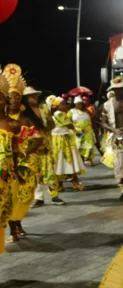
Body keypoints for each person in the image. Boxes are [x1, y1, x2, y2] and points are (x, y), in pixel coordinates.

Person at [4, 64, 45, 243]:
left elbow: (37, 139)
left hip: (27, 162)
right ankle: (13, 227)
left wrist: (24, 154)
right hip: (7, 164)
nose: (13, 100)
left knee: (26, 195)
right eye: (10, 97)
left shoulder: (27, 119)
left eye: (17, 97)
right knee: (10, 195)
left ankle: (18, 221)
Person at [0, 69, 22, 253]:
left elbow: (15, 151)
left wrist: (16, 170)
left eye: (0, 98)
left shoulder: (12, 124)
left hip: (4, 178)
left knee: (3, 212)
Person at [31, 93, 66, 207]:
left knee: (50, 171)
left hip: (45, 145)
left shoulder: (44, 108)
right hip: (31, 147)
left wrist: (45, 128)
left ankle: (54, 196)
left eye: (34, 95)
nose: (33, 98)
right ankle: (38, 198)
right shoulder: (23, 110)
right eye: (30, 96)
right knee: (35, 173)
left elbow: (52, 124)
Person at [50, 97, 86, 192]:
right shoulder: (59, 114)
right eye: (62, 104)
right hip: (62, 140)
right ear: (57, 106)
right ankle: (75, 183)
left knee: (61, 162)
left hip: (61, 139)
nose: (65, 105)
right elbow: (69, 125)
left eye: (65, 103)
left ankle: (60, 185)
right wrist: (76, 130)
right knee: (68, 160)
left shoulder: (59, 114)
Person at [68, 96, 96, 165]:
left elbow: (90, 120)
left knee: (89, 145)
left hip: (88, 131)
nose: (79, 105)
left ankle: (89, 159)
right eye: (77, 104)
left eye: (80, 103)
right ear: (75, 104)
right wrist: (75, 128)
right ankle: (81, 160)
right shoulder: (71, 111)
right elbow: (68, 121)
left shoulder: (86, 111)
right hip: (78, 131)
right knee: (79, 146)